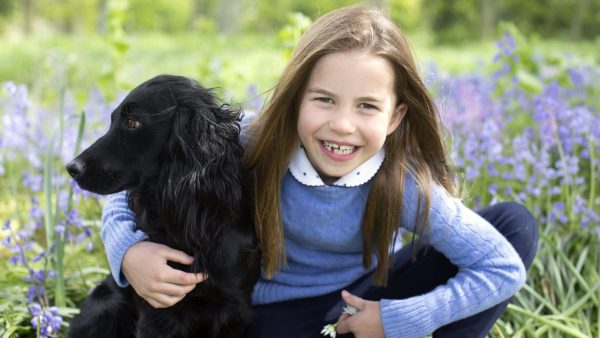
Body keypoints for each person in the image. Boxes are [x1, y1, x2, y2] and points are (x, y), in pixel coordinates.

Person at [100, 5, 538, 338]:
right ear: (295, 100)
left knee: (513, 225)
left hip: (358, 303)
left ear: (395, 117)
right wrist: (128, 253)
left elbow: (501, 267)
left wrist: (395, 319)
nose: (342, 125)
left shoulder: (401, 182)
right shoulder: (256, 140)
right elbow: (135, 176)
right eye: (324, 99)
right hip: (265, 315)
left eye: (367, 106)